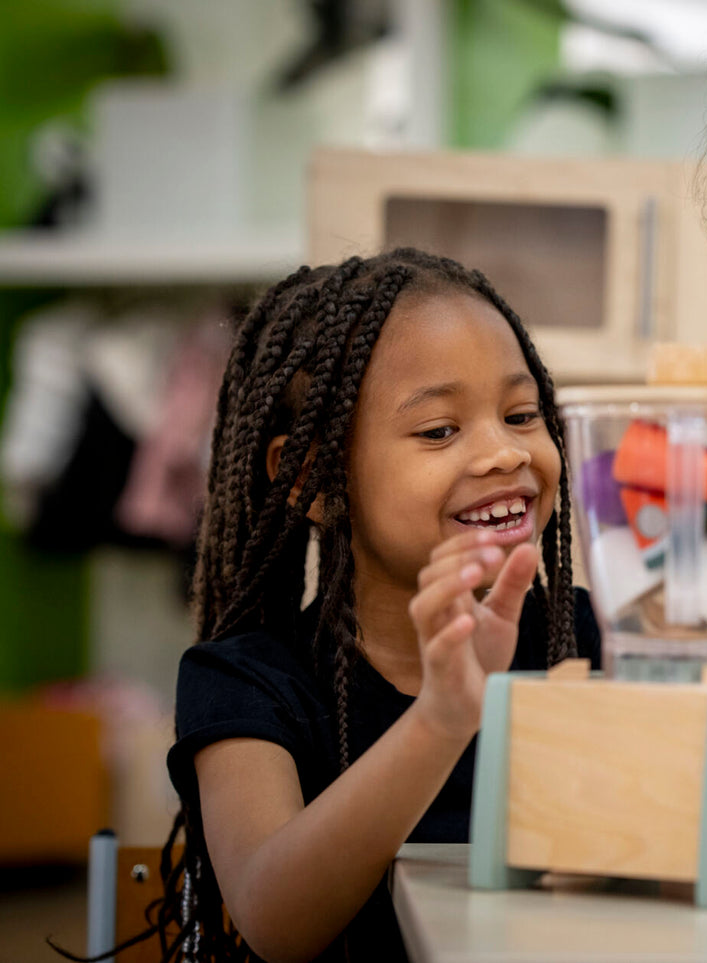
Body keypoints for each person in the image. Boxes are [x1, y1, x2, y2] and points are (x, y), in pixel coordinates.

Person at [126, 249, 596, 962]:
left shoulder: (587, 637)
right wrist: (442, 718)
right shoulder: (247, 683)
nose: (504, 452)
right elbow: (277, 919)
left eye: (521, 413)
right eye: (439, 429)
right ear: (313, 476)